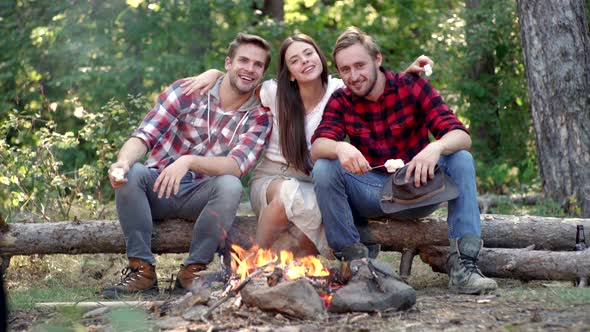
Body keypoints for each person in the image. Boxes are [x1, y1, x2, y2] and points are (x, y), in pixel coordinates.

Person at [182, 34, 431, 259]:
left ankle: (274, 267)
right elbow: (239, 83)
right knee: (285, 196)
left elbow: (374, 81)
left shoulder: (339, 90)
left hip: (314, 182)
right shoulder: (273, 92)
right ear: (289, 72)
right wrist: (215, 73)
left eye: (309, 53)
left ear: (319, 57)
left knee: (320, 221)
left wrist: (405, 76)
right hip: (272, 177)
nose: (305, 61)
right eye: (295, 60)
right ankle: (254, 259)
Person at [310, 27, 498, 295]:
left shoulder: (411, 86)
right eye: (345, 69)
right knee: (325, 167)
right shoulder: (341, 100)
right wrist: (340, 147)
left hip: (418, 190)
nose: (354, 76)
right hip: (371, 192)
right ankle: (357, 265)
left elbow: (461, 135)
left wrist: (436, 147)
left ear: (377, 59)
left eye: (360, 65)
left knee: (460, 158)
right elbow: (317, 146)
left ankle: (463, 266)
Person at [101, 33, 273, 298]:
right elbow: (144, 135)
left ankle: (192, 272)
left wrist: (189, 161)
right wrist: (121, 162)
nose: (249, 69)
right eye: (244, 60)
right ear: (228, 63)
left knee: (231, 185)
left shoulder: (260, 117)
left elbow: (236, 165)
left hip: (203, 197)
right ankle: (142, 272)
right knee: (133, 173)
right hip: (159, 186)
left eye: (258, 65)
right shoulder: (188, 91)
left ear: (263, 72)